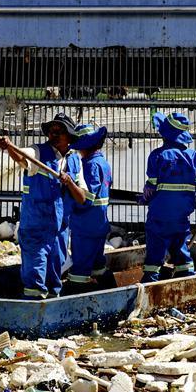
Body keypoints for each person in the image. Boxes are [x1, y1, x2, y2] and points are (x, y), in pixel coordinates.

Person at [0, 113, 86, 299]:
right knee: (35, 274)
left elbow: (82, 198)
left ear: (69, 136)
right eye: (52, 130)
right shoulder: (38, 152)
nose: (54, 133)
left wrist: (69, 182)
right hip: (36, 226)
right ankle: (32, 313)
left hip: (59, 230)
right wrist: (9, 147)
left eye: (59, 131)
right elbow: (21, 156)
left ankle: (53, 307)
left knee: (55, 272)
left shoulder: (75, 161)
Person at [138, 112, 196, 282]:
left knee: (156, 246)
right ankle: (187, 278)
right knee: (180, 245)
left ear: (164, 134)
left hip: (159, 214)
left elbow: (151, 187)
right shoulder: (194, 157)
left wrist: (145, 198)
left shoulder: (157, 155)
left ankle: (150, 280)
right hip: (181, 215)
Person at [63, 123, 114, 294]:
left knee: (81, 261)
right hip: (100, 223)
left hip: (86, 224)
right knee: (97, 260)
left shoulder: (89, 165)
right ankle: (108, 287)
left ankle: (76, 292)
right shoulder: (103, 163)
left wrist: (71, 199)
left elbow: (87, 198)